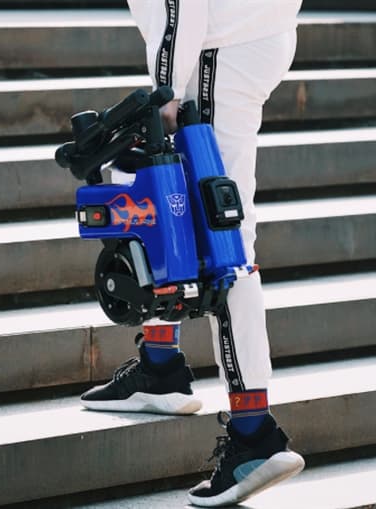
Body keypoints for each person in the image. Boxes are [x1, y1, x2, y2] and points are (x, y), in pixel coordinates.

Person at [81, 0, 305, 505]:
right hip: (251, 35)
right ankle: (161, 365)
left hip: (217, 48)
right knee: (177, 205)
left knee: (223, 241)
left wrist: (165, 89)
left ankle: (253, 432)